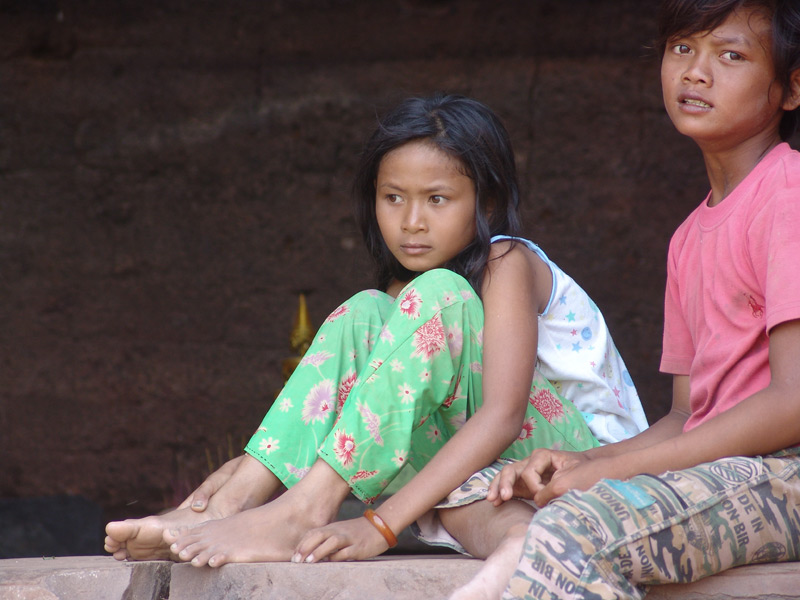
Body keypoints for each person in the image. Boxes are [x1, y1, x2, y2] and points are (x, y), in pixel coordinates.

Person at [104, 94, 647, 568]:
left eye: (437, 199)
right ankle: (228, 505)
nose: (411, 221)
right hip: (493, 474)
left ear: (487, 202)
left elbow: (503, 416)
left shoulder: (507, 262)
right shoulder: (404, 300)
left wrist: (379, 526)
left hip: (587, 465)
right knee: (366, 311)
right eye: (394, 198)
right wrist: (260, 465)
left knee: (437, 295)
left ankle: (303, 508)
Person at [448, 1, 800, 598]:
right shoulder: (688, 238)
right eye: (682, 49)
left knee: (568, 530)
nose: (695, 72)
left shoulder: (788, 194)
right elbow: (687, 415)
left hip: (783, 475)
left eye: (731, 55)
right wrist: (582, 461)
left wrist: (614, 469)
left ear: (792, 89)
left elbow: (794, 401)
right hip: (716, 468)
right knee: (484, 490)